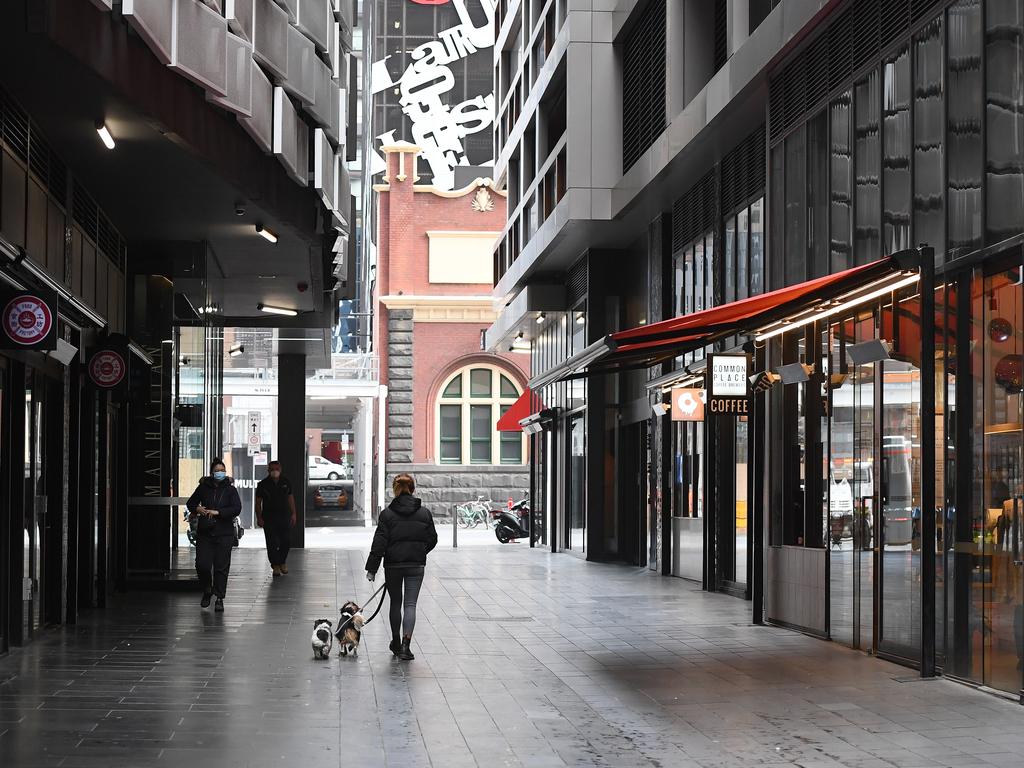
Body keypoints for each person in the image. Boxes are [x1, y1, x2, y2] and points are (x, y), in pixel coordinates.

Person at [365, 474, 438, 661]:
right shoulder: (424, 513)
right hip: (416, 565)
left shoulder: (387, 515)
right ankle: (406, 646)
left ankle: (396, 642)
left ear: (395, 490)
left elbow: (379, 543)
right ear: (412, 489)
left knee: (395, 603)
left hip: (393, 566)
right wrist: (420, 552)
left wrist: (372, 568)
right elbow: (432, 539)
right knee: (410, 604)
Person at [186, 459, 242, 612]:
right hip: (205, 533)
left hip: (224, 533)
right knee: (202, 565)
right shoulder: (204, 488)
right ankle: (207, 588)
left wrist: (218, 512)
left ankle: (219, 597)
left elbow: (237, 508)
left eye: (222, 470)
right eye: (217, 470)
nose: (220, 473)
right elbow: (191, 502)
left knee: (221, 567)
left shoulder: (230, 490)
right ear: (212, 473)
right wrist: (198, 509)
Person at [255, 460, 296, 576]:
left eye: (277, 469)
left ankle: (282, 561)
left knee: (286, 541)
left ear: (280, 469)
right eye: (272, 469)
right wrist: (259, 518)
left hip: (284, 516)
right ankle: (275, 565)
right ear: (268, 470)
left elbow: (290, 498)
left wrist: (294, 514)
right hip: (269, 518)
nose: (275, 471)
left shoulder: (286, 482)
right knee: (271, 542)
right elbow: (258, 503)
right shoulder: (262, 484)